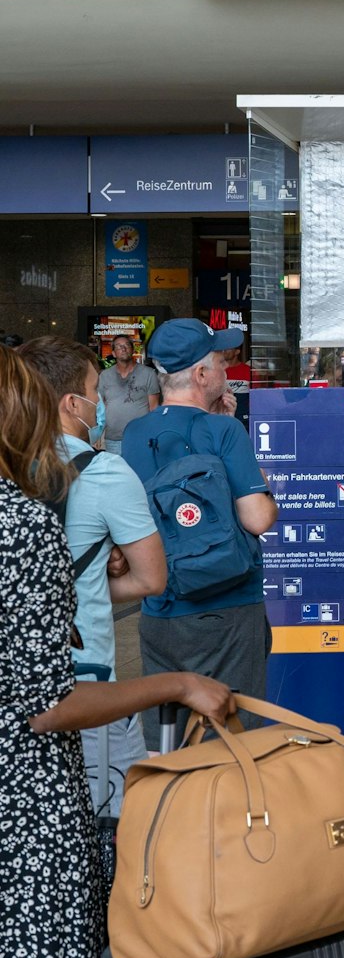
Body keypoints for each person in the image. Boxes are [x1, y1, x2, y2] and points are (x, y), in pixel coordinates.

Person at [0, 344, 234, 958]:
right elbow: (49, 706)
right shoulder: (41, 510)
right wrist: (178, 683)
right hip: (36, 775)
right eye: (93, 394)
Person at [19, 336, 168, 816]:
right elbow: (150, 580)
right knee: (114, 823)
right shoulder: (105, 472)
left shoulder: (10, 467)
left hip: (16, 679)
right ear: (71, 404)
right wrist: (91, 578)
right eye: (93, 393)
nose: (99, 403)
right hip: (85, 679)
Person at [123, 320, 277, 739]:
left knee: (166, 737)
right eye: (222, 362)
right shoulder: (225, 429)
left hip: (161, 608)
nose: (228, 369)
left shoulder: (135, 433)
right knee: (230, 738)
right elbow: (258, 518)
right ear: (201, 374)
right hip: (227, 608)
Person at [97, 334, 159, 453]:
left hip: (140, 438)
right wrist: (98, 434)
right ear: (114, 353)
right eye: (119, 346)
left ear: (133, 350)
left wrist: (154, 435)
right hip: (113, 439)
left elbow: (154, 408)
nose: (123, 348)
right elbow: (101, 407)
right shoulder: (104, 376)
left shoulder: (149, 374)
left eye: (126, 345)